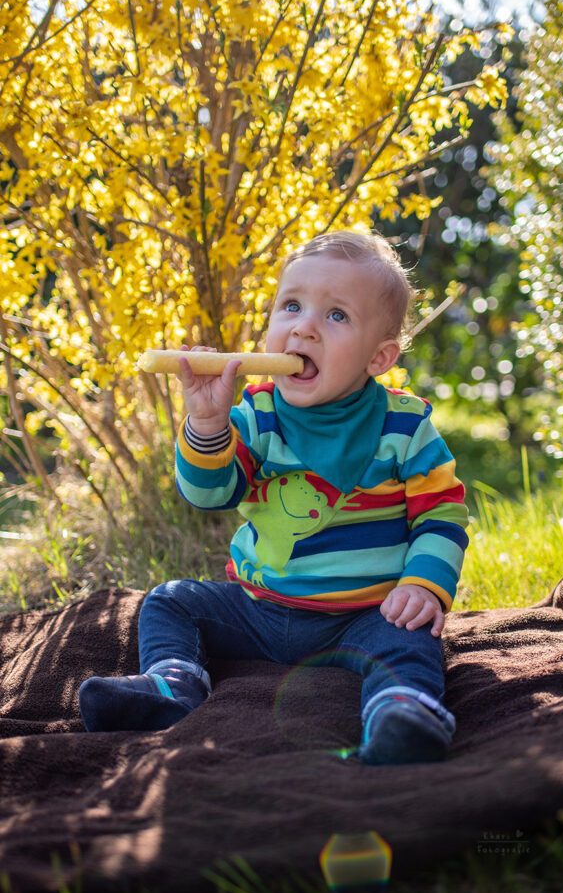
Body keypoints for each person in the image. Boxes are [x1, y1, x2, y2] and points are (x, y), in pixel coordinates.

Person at [79, 230, 469, 764]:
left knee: (412, 639)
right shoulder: (258, 415)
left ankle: (404, 711)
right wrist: (208, 422)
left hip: (362, 615)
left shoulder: (405, 427)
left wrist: (424, 585)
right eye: (291, 306)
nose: (304, 326)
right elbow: (209, 493)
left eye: (336, 316)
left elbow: (442, 513)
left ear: (378, 358)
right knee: (170, 600)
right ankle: (172, 685)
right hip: (259, 608)